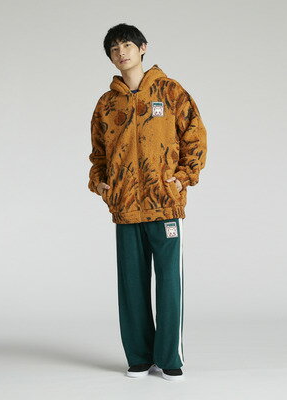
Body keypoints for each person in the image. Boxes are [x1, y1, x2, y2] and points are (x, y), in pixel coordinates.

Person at [88, 23, 207, 381]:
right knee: (132, 285)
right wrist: (101, 184)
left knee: (169, 283)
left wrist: (183, 177)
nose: (121, 52)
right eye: (114, 49)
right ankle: (139, 356)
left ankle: (169, 357)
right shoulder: (107, 104)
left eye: (126, 45)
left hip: (164, 204)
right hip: (125, 207)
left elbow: (195, 136)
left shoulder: (170, 91)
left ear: (142, 48)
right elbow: (98, 153)